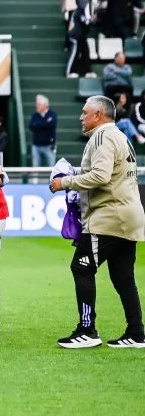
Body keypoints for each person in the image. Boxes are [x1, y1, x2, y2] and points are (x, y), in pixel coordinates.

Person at [50, 95, 145, 349]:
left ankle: (87, 330)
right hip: (128, 214)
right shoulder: (120, 136)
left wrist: (66, 182)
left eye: (84, 112)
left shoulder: (102, 137)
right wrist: (77, 174)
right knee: (123, 276)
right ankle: (136, 332)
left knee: (81, 268)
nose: (81, 117)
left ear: (98, 115)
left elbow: (101, 176)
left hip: (109, 217)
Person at [29, 95, 58, 167]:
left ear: (45, 105)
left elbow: (51, 125)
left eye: (39, 104)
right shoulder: (34, 115)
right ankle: (35, 179)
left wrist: (37, 124)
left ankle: (51, 179)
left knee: (51, 166)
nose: (37, 106)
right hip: (36, 145)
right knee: (35, 166)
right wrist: (45, 123)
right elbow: (31, 126)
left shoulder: (52, 114)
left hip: (49, 145)